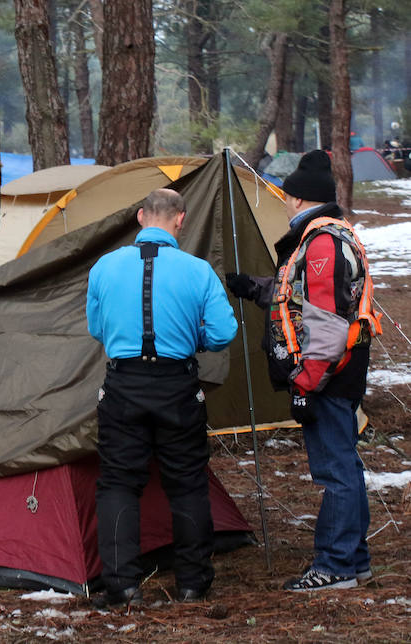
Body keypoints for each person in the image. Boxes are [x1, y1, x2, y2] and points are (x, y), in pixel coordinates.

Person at [226, 150, 380, 591]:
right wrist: (255, 287)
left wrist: (305, 383)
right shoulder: (327, 236)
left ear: (295, 198)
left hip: (329, 373)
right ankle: (356, 560)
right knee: (343, 465)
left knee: (335, 470)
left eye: (286, 194)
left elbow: (327, 324)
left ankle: (335, 566)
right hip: (339, 370)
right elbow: (301, 294)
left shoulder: (322, 243)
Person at [86, 188, 237, 608]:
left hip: (123, 385)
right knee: (187, 483)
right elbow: (224, 333)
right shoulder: (199, 271)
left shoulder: (103, 267)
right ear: (181, 220)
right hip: (178, 386)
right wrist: (194, 338)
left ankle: (121, 586)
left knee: (117, 482)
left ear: (139, 217)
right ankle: (193, 583)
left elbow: (97, 329)